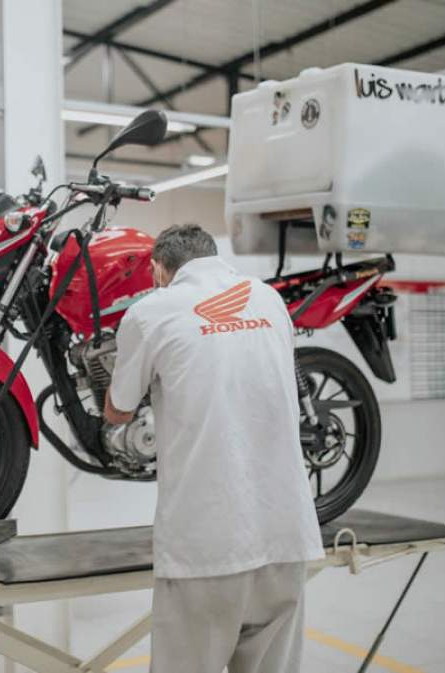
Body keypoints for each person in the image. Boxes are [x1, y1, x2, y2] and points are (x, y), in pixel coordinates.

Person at [104, 223, 324, 673]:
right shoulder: (268, 298)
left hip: (206, 546)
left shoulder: (150, 311)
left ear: (158, 270)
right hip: (286, 538)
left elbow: (118, 411)